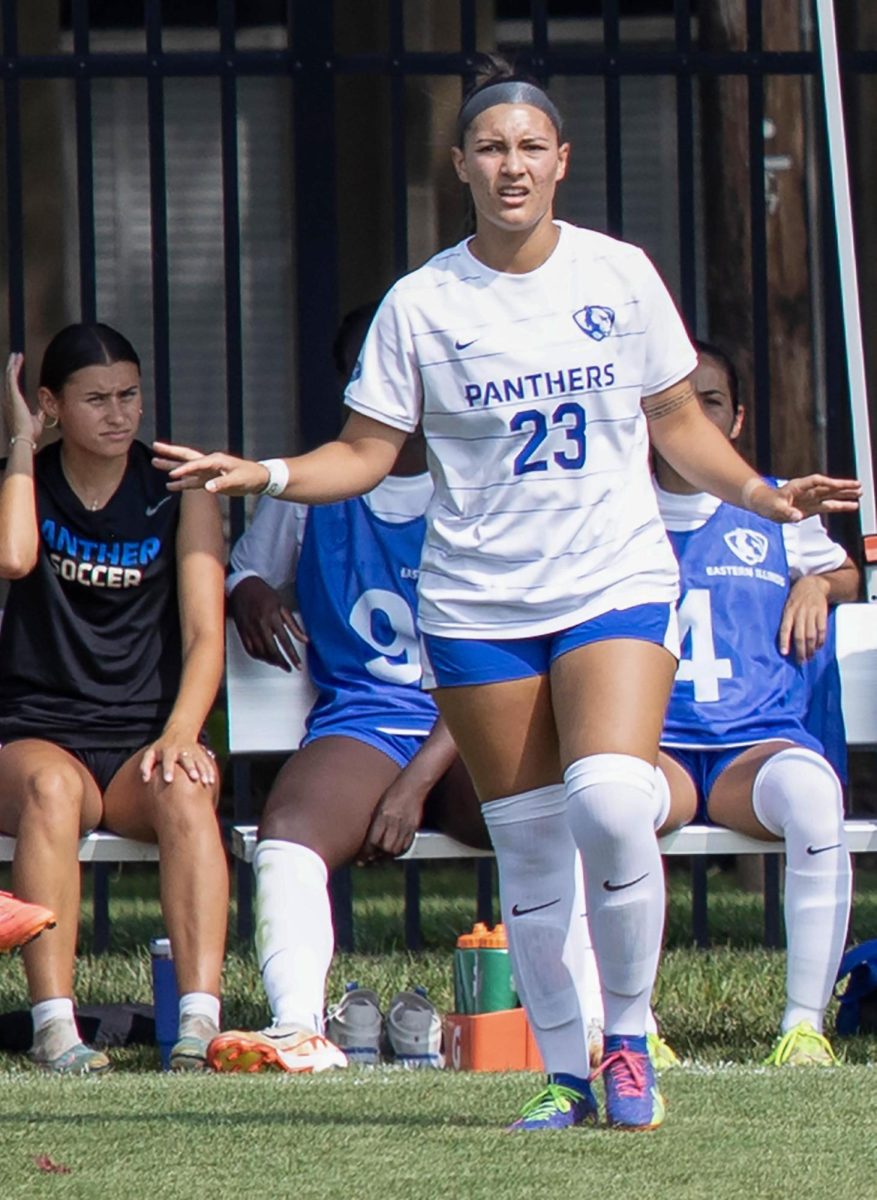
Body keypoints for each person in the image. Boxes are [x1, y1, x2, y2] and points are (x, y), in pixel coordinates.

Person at [153, 62, 859, 1130]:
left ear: (561, 160)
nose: (511, 164)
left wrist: (766, 497)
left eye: (531, 146)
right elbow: (365, 451)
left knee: (613, 804)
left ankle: (629, 1045)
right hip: (478, 604)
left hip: (610, 580)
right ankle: (568, 1073)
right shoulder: (424, 302)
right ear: (461, 167)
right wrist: (268, 475)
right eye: (491, 148)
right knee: (530, 844)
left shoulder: (618, 276)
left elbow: (675, 424)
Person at [208, 307, 488, 1074]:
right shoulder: (311, 491)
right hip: (366, 723)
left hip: (474, 720)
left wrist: (412, 788)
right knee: (290, 830)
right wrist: (251, 593)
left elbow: (495, 658)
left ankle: (596, 1021)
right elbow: (244, 569)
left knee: (558, 807)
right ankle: (299, 1026)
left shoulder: (481, 488)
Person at [0, 324, 227, 1074]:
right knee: (49, 788)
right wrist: (19, 448)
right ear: (51, 404)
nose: (118, 414)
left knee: (189, 785)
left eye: (128, 395)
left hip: (139, 741)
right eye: (95, 399)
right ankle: (55, 1028)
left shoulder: (175, 487)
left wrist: (181, 732)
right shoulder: (25, 478)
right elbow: (14, 557)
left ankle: (197, 1023)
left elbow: (203, 636)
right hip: (39, 731)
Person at [654, 341, 858, 1066]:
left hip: (754, 746)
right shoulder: (614, 510)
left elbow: (845, 577)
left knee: (811, 793)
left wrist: (813, 583)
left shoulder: (775, 506)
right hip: (655, 747)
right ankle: (626, 1024)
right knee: (612, 803)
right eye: (677, 401)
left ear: (735, 419)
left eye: (710, 401)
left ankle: (802, 1026)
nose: (695, 415)